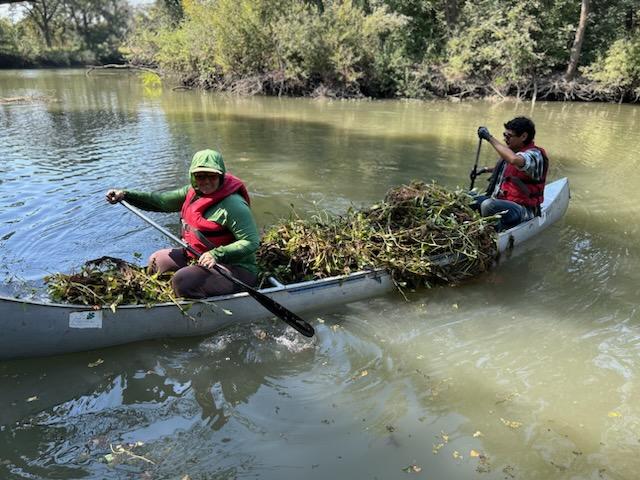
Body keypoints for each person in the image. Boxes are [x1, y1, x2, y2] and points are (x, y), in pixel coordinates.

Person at [106, 149, 260, 299]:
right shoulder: (192, 192)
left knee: (183, 281)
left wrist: (216, 254)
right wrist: (125, 195)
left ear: (221, 175)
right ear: (193, 177)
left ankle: (201, 312)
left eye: (212, 176)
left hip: (237, 269)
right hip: (199, 257)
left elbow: (251, 242)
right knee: (156, 262)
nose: (206, 181)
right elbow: (160, 202)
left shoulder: (234, 205)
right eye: (200, 176)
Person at [470, 116, 549, 231]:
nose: (505, 139)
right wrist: (485, 170)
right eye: (504, 135)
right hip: (502, 201)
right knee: (467, 198)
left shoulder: (534, 155)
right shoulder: (514, 152)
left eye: (509, 136)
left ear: (523, 136)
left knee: (488, 205)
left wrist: (489, 137)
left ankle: (491, 232)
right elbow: (510, 171)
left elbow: (514, 160)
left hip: (523, 209)